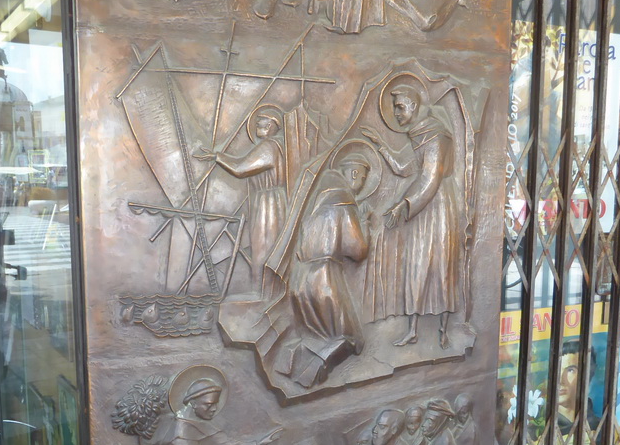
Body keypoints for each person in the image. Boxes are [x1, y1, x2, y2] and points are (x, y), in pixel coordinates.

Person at [363, 75, 461, 347]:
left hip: (437, 207)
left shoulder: (436, 135)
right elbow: (405, 168)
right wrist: (381, 145)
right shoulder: (419, 134)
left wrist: (404, 204)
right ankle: (413, 330)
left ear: (415, 106)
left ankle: (444, 330)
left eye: (400, 107)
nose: (396, 113)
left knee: (440, 265)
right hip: (420, 208)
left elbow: (431, 177)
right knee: (416, 264)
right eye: (394, 108)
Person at [278, 154, 370, 385]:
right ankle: (310, 374)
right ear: (354, 173)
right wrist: (365, 224)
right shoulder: (343, 201)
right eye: (363, 178)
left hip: (300, 278)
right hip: (324, 278)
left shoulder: (316, 203)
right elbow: (358, 250)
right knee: (349, 338)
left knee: (315, 335)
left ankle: (289, 362)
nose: (362, 184)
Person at [196, 107, 286, 293]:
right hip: (270, 200)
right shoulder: (276, 146)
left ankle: (263, 294)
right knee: (264, 247)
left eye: (261, 121)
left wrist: (217, 157)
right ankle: (265, 292)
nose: (256, 124)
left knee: (263, 249)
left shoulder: (269, 146)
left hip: (268, 204)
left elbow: (241, 168)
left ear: (270, 125)